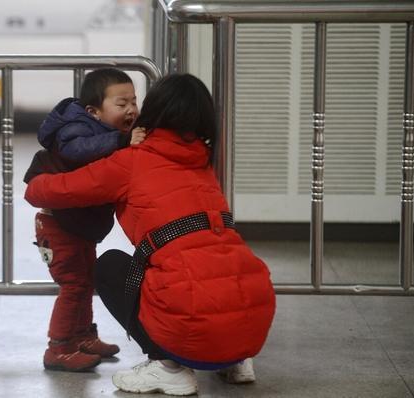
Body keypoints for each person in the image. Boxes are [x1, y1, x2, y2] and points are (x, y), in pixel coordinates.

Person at [25, 73, 276, 395]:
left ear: (153, 110)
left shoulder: (132, 161)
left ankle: (167, 366)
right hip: (249, 332)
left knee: (112, 265)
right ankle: (233, 361)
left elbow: (44, 193)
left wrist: (39, 175)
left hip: (193, 328)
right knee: (209, 260)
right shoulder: (203, 163)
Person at [23, 68, 146, 372]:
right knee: (73, 284)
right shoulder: (75, 129)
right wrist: (122, 140)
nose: (130, 109)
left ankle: (83, 336)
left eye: (134, 101)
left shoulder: (103, 129)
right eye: (121, 104)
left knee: (85, 281)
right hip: (58, 225)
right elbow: (78, 151)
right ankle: (59, 347)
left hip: (76, 225)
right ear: (94, 111)